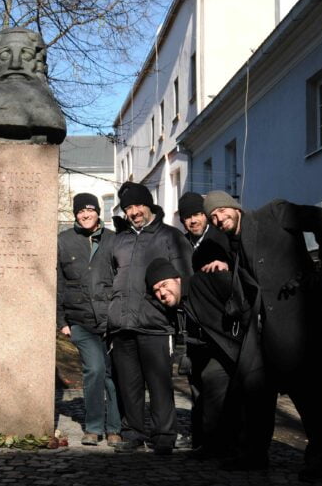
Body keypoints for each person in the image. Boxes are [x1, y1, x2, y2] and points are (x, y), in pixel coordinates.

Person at [204, 190, 322, 481]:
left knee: (312, 396)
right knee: (255, 391)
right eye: (213, 217)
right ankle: (253, 454)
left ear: (234, 207)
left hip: (300, 325)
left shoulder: (273, 213)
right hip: (265, 332)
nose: (218, 218)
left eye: (221, 211)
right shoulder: (232, 244)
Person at [108, 182, 192, 454]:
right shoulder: (119, 240)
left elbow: (185, 278)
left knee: (159, 384)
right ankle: (133, 433)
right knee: (129, 385)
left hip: (156, 323)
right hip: (122, 324)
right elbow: (109, 277)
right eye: (128, 207)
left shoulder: (170, 237)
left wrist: (173, 305)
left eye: (138, 205)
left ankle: (164, 435)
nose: (133, 212)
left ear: (149, 205)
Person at [57, 193, 121, 447]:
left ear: (98, 213)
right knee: (94, 369)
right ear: (75, 214)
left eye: (90, 210)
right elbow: (58, 283)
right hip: (79, 320)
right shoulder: (63, 241)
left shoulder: (114, 240)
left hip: (111, 320)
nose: (85, 215)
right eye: (80, 211)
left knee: (112, 373)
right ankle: (93, 427)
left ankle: (114, 427)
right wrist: (61, 321)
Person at [177, 192, 233, 458]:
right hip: (192, 327)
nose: (192, 220)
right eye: (187, 216)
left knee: (215, 386)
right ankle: (201, 440)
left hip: (218, 326)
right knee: (197, 386)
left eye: (197, 214)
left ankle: (216, 442)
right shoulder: (183, 244)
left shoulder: (219, 238)